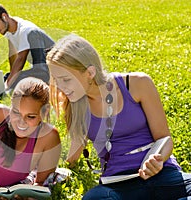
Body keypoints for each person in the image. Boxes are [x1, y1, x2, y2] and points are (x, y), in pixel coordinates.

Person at [46, 34, 191, 199]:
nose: (60, 87)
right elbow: (73, 153)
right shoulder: (75, 105)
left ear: (90, 72)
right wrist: (47, 172)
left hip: (162, 174)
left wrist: (157, 159)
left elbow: (164, 137)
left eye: (66, 79)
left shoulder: (138, 84)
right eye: (56, 80)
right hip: (117, 185)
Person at [0, 3, 55, 90]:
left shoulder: (26, 30)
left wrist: (8, 84)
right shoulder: (10, 29)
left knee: (17, 78)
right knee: (7, 77)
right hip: (39, 69)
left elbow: (21, 59)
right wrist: (10, 78)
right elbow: (13, 56)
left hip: (51, 69)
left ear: (4, 16)